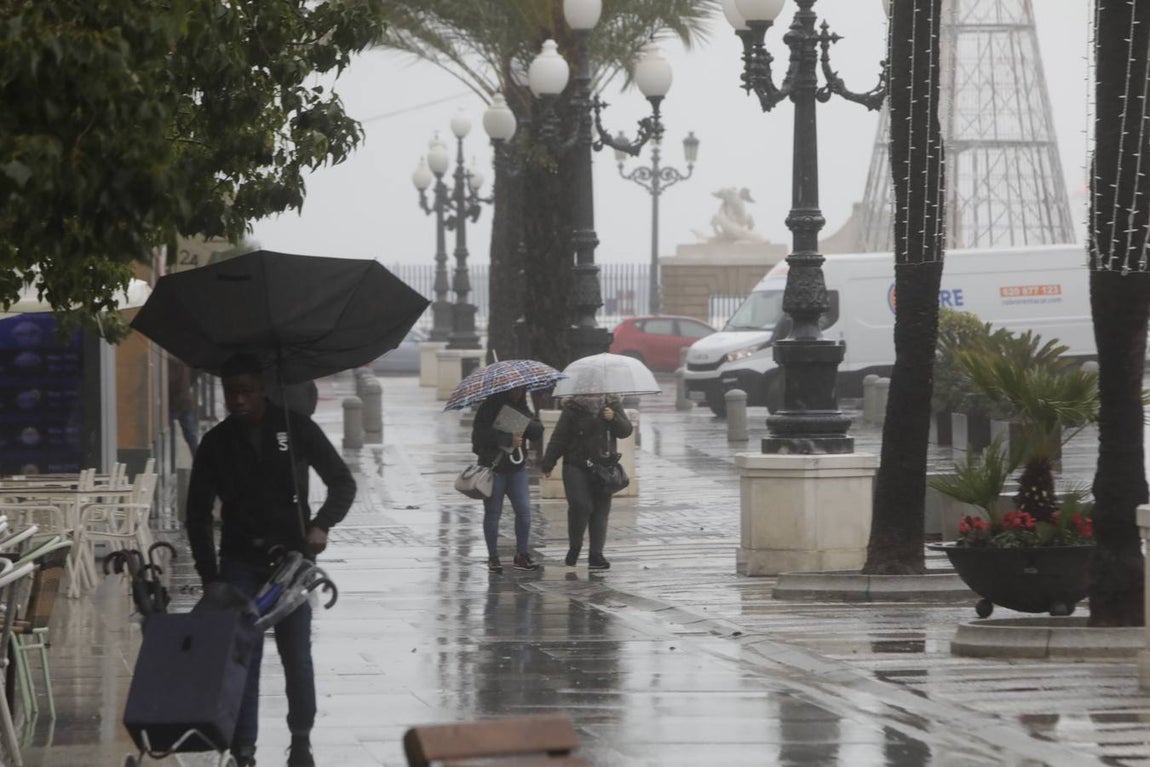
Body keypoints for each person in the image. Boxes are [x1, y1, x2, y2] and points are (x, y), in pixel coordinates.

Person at [186, 354, 356, 767]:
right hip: (239, 561)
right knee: (243, 656)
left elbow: (342, 482)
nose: (238, 400)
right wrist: (210, 577)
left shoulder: (295, 428)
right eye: (231, 392)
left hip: (291, 564)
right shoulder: (216, 442)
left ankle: (301, 738)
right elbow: (195, 513)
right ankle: (244, 750)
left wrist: (322, 525)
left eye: (246, 391)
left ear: (263, 388)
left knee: (296, 654)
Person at [541, 394, 632, 571]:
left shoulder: (612, 405)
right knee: (581, 506)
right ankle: (575, 547)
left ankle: (596, 555)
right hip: (576, 465)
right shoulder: (572, 408)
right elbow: (560, 437)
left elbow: (625, 431)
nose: (593, 389)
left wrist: (613, 418)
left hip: (604, 467)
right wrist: (549, 462)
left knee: (600, 510)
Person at [471, 386, 544, 573]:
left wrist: (521, 422)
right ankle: (493, 557)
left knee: (524, 512)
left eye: (521, 389)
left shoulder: (522, 406)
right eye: (514, 390)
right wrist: (506, 438)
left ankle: (521, 554)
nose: (518, 393)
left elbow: (537, 430)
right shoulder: (488, 407)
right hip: (494, 469)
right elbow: (478, 441)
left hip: (516, 469)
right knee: (493, 513)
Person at [168, 357, 199, 453]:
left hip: (174, 402)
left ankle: (199, 459)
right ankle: (199, 459)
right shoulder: (185, 360)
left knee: (190, 434)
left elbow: (170, 381)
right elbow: (195, 373)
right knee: (191, 435)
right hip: (184, 401)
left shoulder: (170, 361)